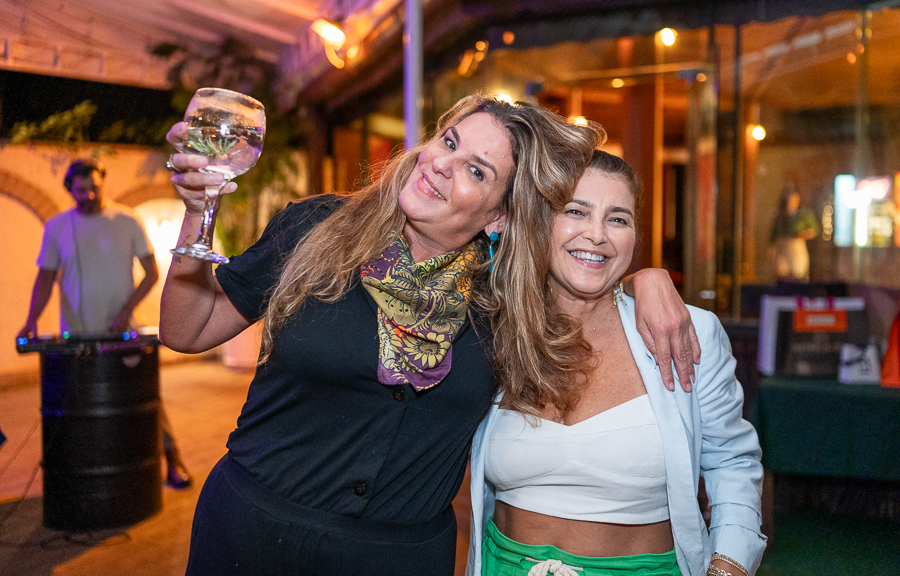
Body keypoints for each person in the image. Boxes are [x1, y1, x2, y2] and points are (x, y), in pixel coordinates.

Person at [161, 94, 698, 576]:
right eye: (448, 141)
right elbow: (187, 329)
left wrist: (646, 280)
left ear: (500, 218)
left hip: (398, 558)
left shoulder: (505, 300)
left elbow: (583, 275)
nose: (440, 165)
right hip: (250, 536)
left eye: (476, 171)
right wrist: (196, 213)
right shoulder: (317, 229)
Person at [468, 151, 766, 576]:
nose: (597, 235)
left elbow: (732, 463)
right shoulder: (494, 328)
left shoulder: (683, 331)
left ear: (635, 236)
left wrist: (728, 568)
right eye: (576, 211)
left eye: (618, 219)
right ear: (538, 222)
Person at [18, 158, 192, 490]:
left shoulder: (127, 219)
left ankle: (172, 458)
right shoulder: (56, 227)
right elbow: (45, 279)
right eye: (82, 189)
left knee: (143, 396)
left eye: (95, 186)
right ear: (71, 189)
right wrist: (30, 321)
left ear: (103, 184)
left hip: (122, 331)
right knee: (82, 406)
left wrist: (125, 310)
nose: (90, 194)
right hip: (78, 335)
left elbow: (152, 272)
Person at [769, 183, 818, 282]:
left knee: (798, 273)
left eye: (794, 199)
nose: (791, 202)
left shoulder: (804, 215)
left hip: (797, 248)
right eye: (789, 200)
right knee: (782, 274)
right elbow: (773, 236)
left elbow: (814, 231)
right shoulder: (779, 216)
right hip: (782, 249)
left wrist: (802, 234)